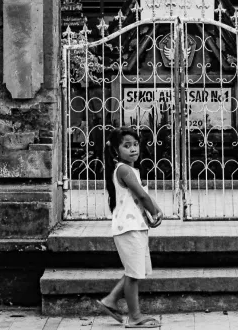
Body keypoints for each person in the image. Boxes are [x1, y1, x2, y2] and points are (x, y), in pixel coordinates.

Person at [99, 127, 163, 328]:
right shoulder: (124, 170)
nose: (133, 149)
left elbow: (141, 195)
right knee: (134, 274)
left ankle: (110, 300)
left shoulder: (130, 169)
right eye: (127, 146)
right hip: (129, 228)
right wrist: (154, 211)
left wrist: (156, 210)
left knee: (134, 270)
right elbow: (142, 196)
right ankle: (135, 317)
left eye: (135, 144)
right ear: (116, 150)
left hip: (135, 225)